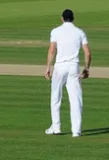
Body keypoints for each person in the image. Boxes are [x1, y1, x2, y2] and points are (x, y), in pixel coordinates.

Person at [45, 9, 91, 138]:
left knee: (56, 98)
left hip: (60, 67)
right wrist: (86, 68)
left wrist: (48, 67)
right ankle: (76, 131)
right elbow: (87, 53)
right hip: (73, 67)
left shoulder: (55, 31)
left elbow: (52, 50)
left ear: (62, 18)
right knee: (76, 99)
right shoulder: (80, 32)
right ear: (73, 18)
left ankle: (56, 127)